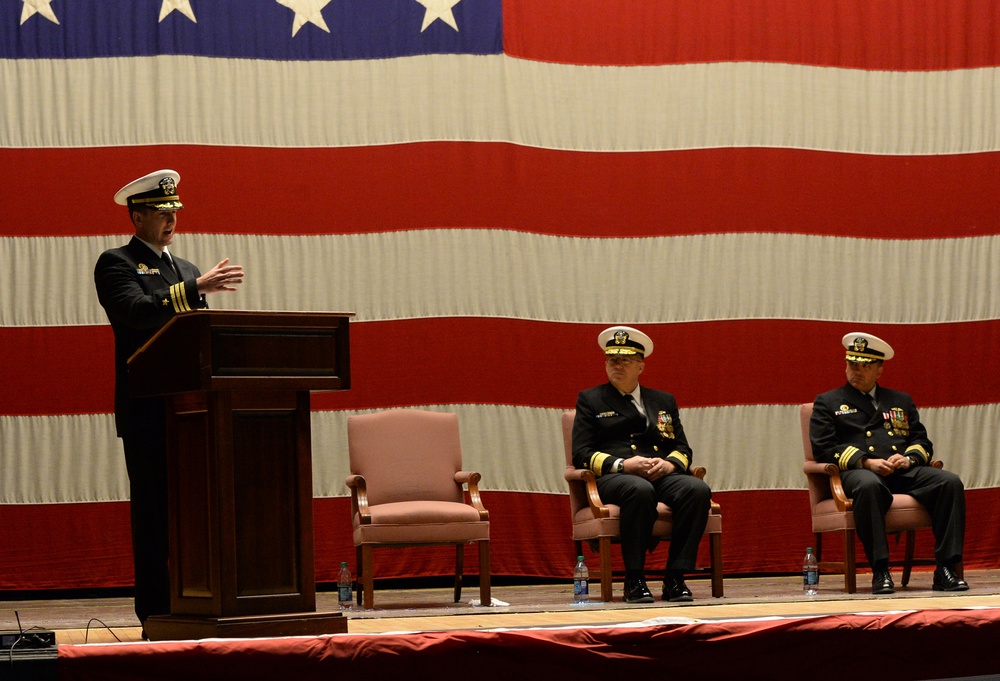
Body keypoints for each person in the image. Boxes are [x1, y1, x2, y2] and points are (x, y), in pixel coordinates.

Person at [94, 169, 245, 628]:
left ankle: (197, 604)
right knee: (155, 517)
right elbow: (137, 313)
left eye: (174, 210)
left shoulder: (187, 269)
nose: (171, 219)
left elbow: (196, 337)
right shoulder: (116, 262)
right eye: (161, 212)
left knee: (196, 515)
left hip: (193, 412)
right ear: (137, 216)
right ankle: (156, 613)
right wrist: (194, 291)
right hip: (148, 411)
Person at [810, 332, 968, 595]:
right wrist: (866, 461)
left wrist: (908, 458)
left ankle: (946, 568)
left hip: (901, 471)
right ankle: (880, 570)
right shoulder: (828, 402)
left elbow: (922, 441)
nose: (856, 371)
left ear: (879, 370)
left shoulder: (900, 400)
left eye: (865, 365)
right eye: (852, 364)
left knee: (949, 482)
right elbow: (823, 448)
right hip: (858, 473)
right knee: (869, 485)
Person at [572, 325, 712, 603]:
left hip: (659, 473)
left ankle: (676, 578)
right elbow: (582, 453)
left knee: (696, 490)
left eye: (625, 360)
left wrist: (670, 465)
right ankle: (634, 579)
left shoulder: (662, 401)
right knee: (639, 490)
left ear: (641, 366)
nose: (617, 366)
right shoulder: (591, 399)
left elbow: (682, 448)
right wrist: (624, 464)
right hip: (616, 478)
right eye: (612, 360)